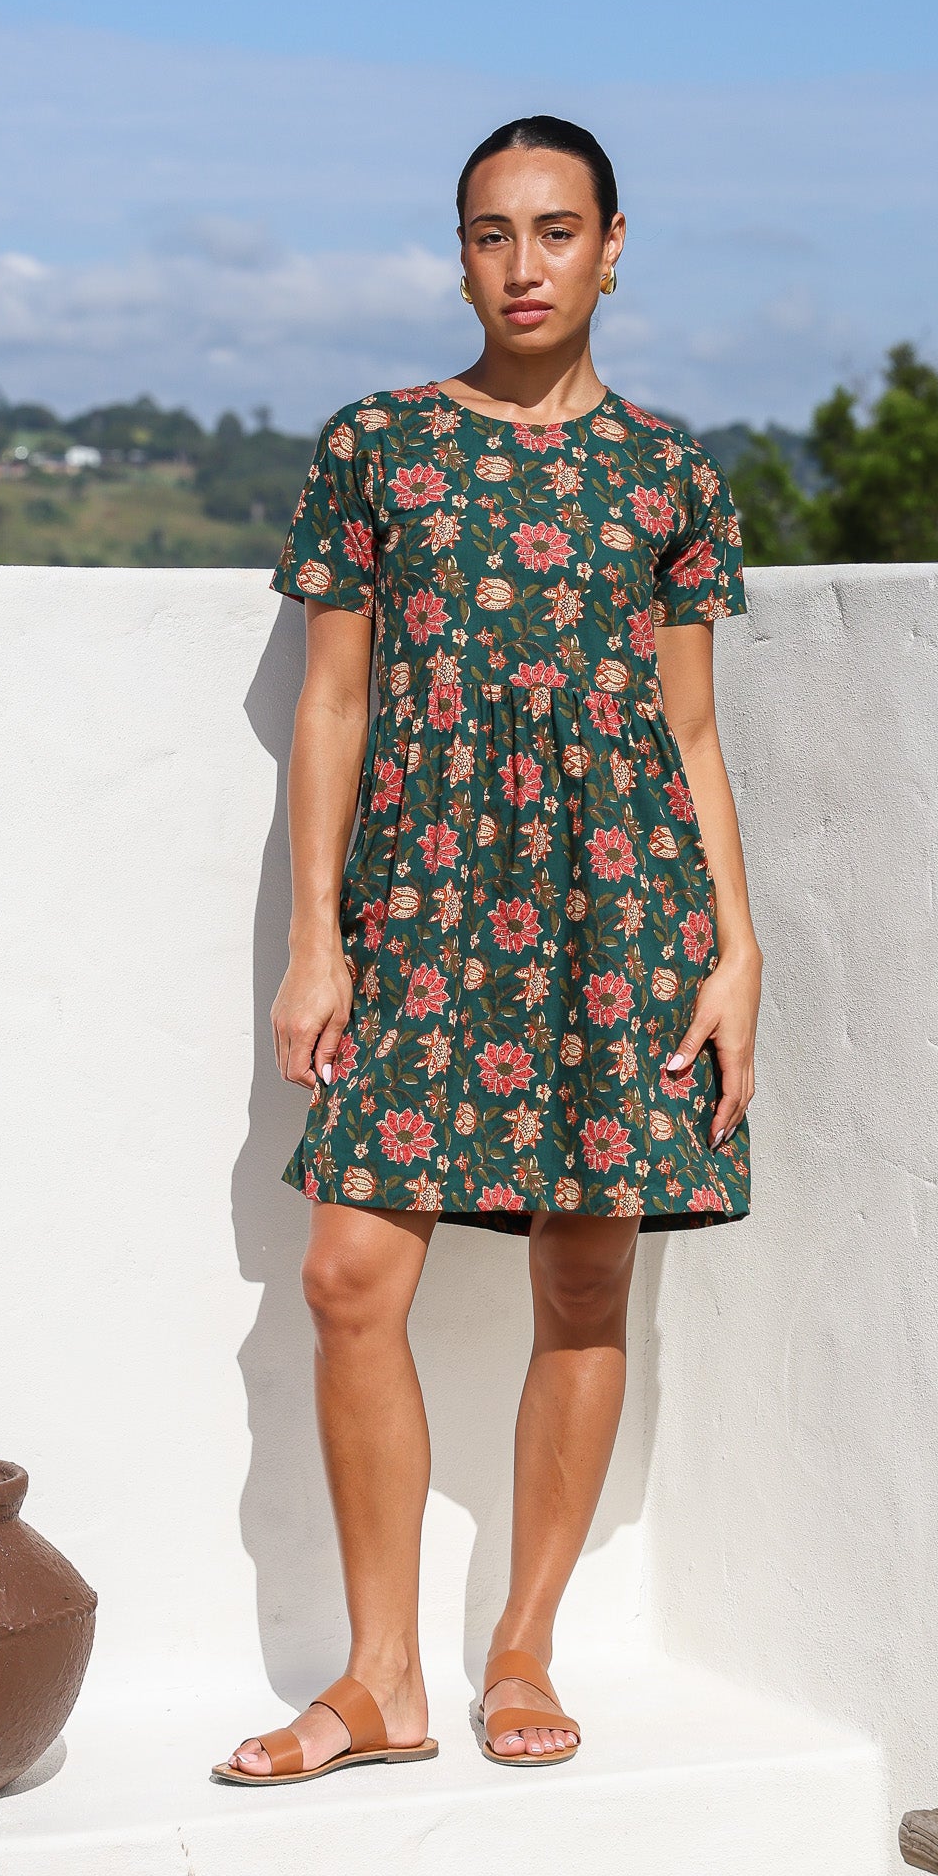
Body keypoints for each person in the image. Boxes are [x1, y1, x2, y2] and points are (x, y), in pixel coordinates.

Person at [213, 114, 762, 1786]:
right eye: (487, 234)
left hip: (620, 911)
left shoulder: (669, 471)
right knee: (346, 1274)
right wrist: (318, 942)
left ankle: (520, 1643)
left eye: (554, 229)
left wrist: (739, 953)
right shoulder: (380, 446)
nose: (521, 265)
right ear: (456, 256)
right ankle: (379, 1678)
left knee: (584, 1276)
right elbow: (334, 702)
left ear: (612, 246)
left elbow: (687, 734)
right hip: (429, 908)